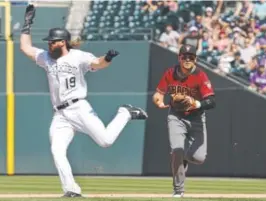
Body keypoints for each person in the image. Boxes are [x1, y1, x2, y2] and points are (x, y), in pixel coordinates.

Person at [20, 5, 148, 197]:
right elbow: (25, 47)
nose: (48, 45)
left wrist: (107, 58)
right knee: (57, 150)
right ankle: (71, 189)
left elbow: (97, 63)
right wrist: (26, 25)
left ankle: (125, 113)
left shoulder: (77, 56)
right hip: (61, 114)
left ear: (63, 42)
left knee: (105, 141)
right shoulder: (46, 58)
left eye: (52, 42)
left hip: (79, 107)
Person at [152, 44, 216, 198]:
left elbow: (212, 101)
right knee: (177, 150)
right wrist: (158, 100)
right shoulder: (170, 73)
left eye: (191, 57)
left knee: (198, 158)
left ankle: (183, 159)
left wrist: (197, 103)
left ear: (195, 59)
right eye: (184, 56)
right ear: (179, 58)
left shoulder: (200, 76)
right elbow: (158, 94)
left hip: (196, 117)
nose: (187, 59)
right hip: (176, 115)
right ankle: (178, 190)